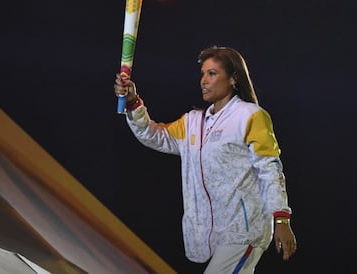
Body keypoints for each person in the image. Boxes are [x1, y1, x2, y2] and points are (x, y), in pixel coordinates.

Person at [114, 46, 297, 273]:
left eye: (212, 73)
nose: (203, 80)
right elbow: (155, 136)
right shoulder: (193, 122)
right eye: (202, 74)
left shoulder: (250, 116)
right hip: (211, 231)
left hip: (244, 229)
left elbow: (270, 169)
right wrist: (133, 102)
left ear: (233, 79)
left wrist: (281, 219)